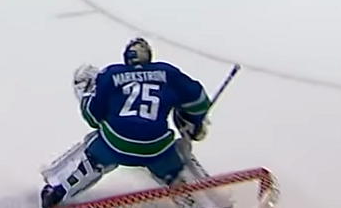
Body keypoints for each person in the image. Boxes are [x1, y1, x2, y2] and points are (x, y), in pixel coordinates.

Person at [40, 38, 213, 208]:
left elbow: (93, 117)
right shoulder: (168, 72)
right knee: (173, 164)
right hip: (156, 147)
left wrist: (86, 95)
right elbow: (199, 101)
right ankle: (186, 194)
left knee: (94, 151)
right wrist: (193, 121)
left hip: (116, 144)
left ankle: (58, 191)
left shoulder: (110, 74)